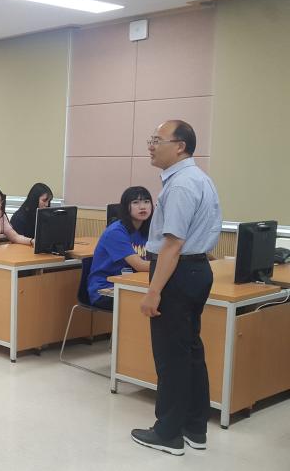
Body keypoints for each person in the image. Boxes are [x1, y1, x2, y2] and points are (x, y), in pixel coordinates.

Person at [130, 120, 221, 456]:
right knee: (190, 351)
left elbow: (172, 244)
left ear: (180, 146)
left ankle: (168, 432)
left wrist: (153, 291)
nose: (151, 146)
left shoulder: (181, 184)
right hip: (195, 269)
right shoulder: (199, 178)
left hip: (177, 272)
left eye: (158, 140)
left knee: (171, 357)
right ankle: (195, 428)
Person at [86, 186, 153, 309]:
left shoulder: (149, 230)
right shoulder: (116, 232)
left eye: (146, 202)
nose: (143, 207)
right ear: (126, 207)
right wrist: (169, 266)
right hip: (105, 288)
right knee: (153, 304)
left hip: (132, 285)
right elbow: (139, 265)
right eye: (136, 202)